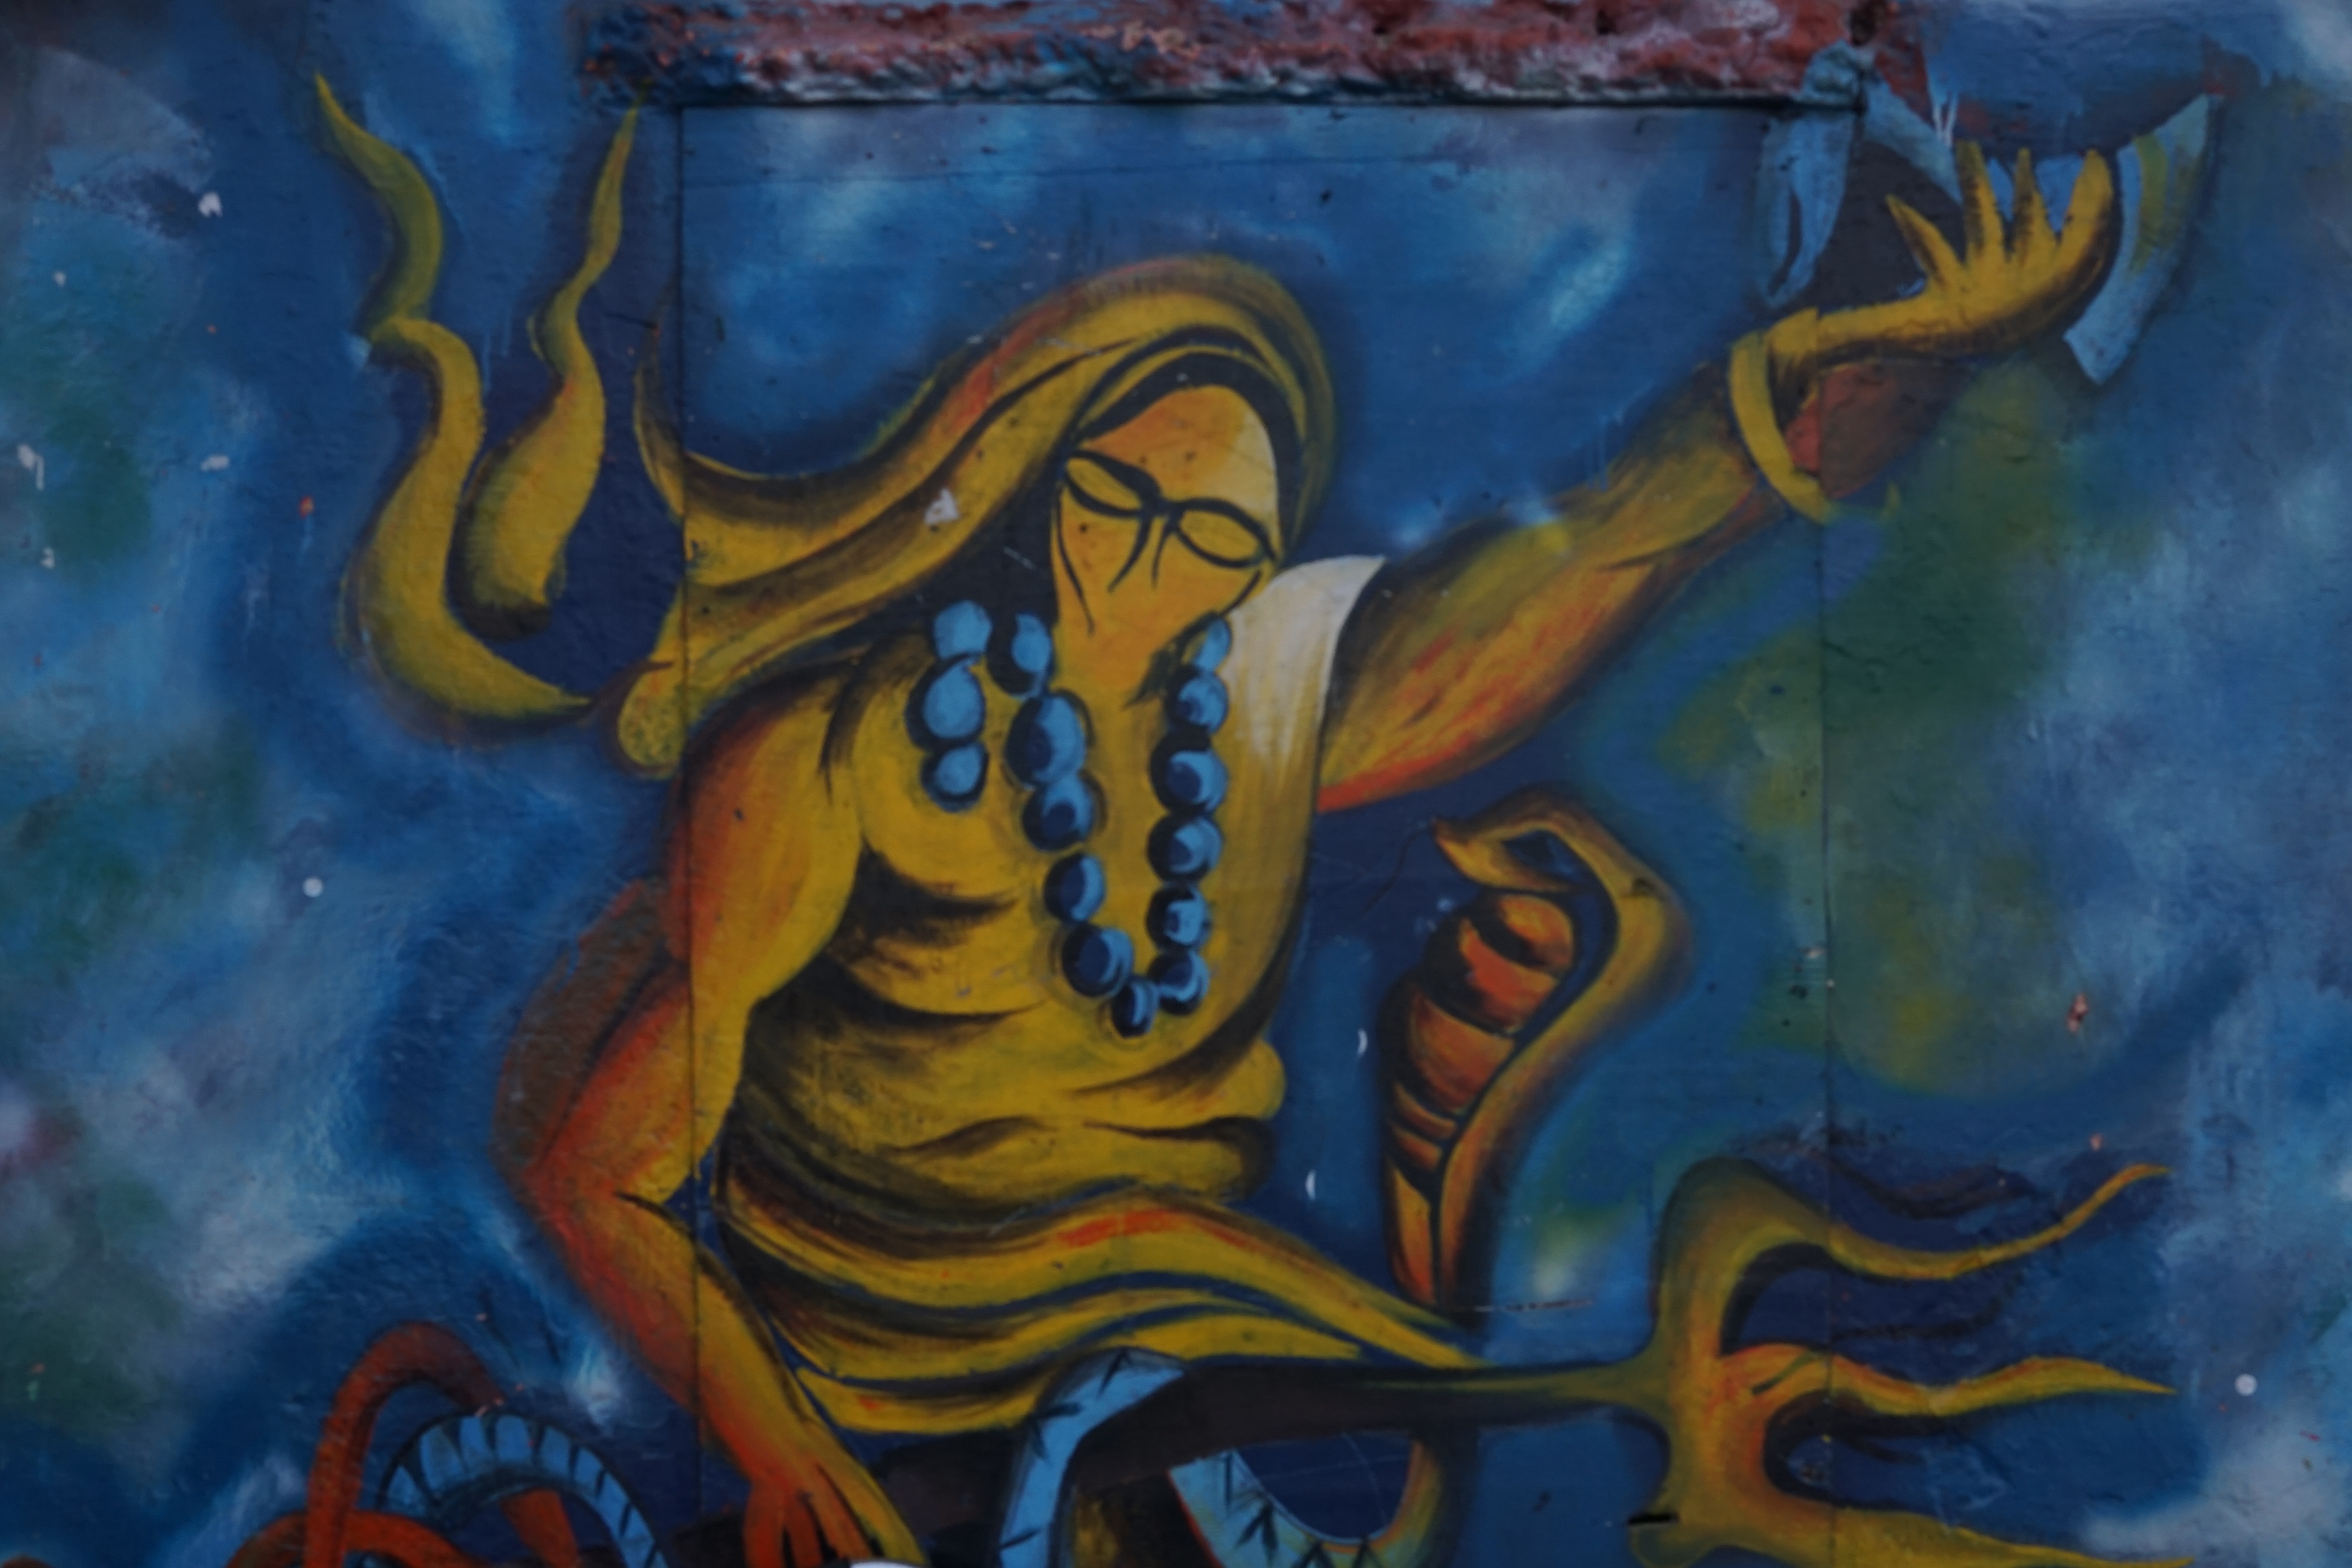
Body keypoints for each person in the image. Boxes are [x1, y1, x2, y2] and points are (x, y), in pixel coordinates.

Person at [320, 82, 2118, 1568]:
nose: (1152, 576)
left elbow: (1587, 571)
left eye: (1219, 546)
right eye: (1116, 502)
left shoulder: (1251, 708)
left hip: (1168, 1326)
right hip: (871, 1366)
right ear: (1031, 483)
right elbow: (602, 1170)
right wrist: (778, 1451)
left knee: (1560, 1431)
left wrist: (1850, 376)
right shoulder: (832, 758)